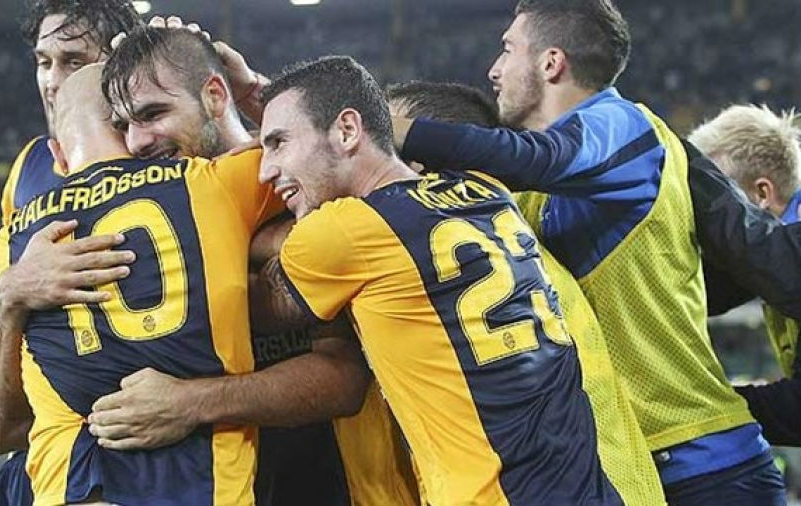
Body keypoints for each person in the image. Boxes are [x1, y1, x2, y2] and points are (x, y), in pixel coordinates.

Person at [391, 1, 785, 505]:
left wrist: (394, 131)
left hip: (705, 465)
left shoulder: (624, 126)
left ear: (551, 62)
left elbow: (540, 157)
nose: (493, 69)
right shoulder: (532, 192)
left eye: (508, 49)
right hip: (625, 472)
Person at [253, 54, 623, 506]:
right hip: (588, 489)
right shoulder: (489, 193)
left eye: (278, 143)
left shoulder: (349, 229)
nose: (264, 170)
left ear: (348, 130)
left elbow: (240, 305)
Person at [0, 61, 287, 505]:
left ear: (57, 155)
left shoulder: (13, 245)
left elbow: (1, 423)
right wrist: (250, 91)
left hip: (72, 490)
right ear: (129, 131)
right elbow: (317, 144)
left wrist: (9, 300)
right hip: (202, 487)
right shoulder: (210, 185)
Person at [386, 80, 666, 506]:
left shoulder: (446, 254)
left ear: (420, 162)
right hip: (619, 485)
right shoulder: (511, 244)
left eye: (382, 144)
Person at [0, 2, 143, 505]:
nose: (52, 80)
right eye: (43, 62)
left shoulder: (162, 152)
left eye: (72, 61)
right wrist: (11, 294)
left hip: (141, 458)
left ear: (117, 64)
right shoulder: (29, 168)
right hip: (46, 460)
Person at [688, 104, 801, 446]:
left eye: (721, 188)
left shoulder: (781, 255)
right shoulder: (772, 259)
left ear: (762, 193)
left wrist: (694, 408)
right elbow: (703, 289)